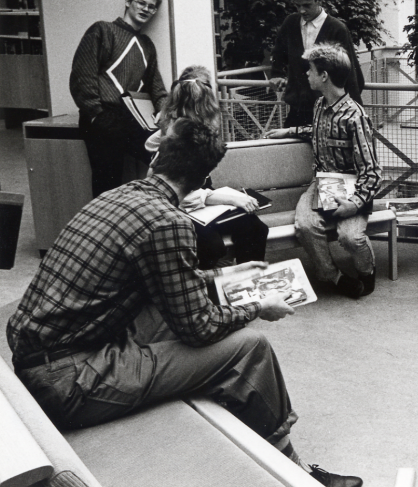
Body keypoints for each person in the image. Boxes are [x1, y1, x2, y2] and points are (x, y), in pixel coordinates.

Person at [6, 118, 361, 487]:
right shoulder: (169, 222)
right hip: (70, 382)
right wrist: (259, 308)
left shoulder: (116, 196)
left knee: (193, 311)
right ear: (202, 179)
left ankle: (239, 415)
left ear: (156, 157)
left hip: (41, 359)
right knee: (251, 347)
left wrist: (226, 276)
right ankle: (297, 471)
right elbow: (199, 328)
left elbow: (169, 282)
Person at [265, 44, 381, 298]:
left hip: (351, 187)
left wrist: (354, 203)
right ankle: (333, 276)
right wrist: (290, 131)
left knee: (350, 237)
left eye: (311, 70)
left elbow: (372, 172)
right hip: (321, 182)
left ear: (324, 76)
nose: (307, 74)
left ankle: (366, 271)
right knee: (306, 226)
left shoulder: (355, 116)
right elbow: (318, 131)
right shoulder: (320, 104)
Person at [146, 65, 269, 269]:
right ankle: (212, 284)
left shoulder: (184, 128)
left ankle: (249, 280)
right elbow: (179, 195)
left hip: (200, 199)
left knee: (255, 228)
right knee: (211, 246)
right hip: (179, 206)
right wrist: (231, 198)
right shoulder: (177, 136)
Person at [70, 0, 168, 198]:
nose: (146, 9)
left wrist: (164, 110)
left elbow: (156, 86)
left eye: (151, 6)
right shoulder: (102, 30)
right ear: (128, 1)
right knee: (108, 182)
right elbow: (82, 77)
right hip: (102, 116)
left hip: (132, 119)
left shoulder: (147, 45)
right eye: (141, 3)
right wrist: (97, 114)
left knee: (167, 160)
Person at [270, 0, 366, 127]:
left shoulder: (337, 29)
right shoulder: (290, 23)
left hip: (327, 110)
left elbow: (352, 74)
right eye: (297, 5)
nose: (302, 10)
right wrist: (277, 74)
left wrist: (353, 116)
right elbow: (279, 52)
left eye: (307, 5)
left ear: (319, 0)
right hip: (297, 107)